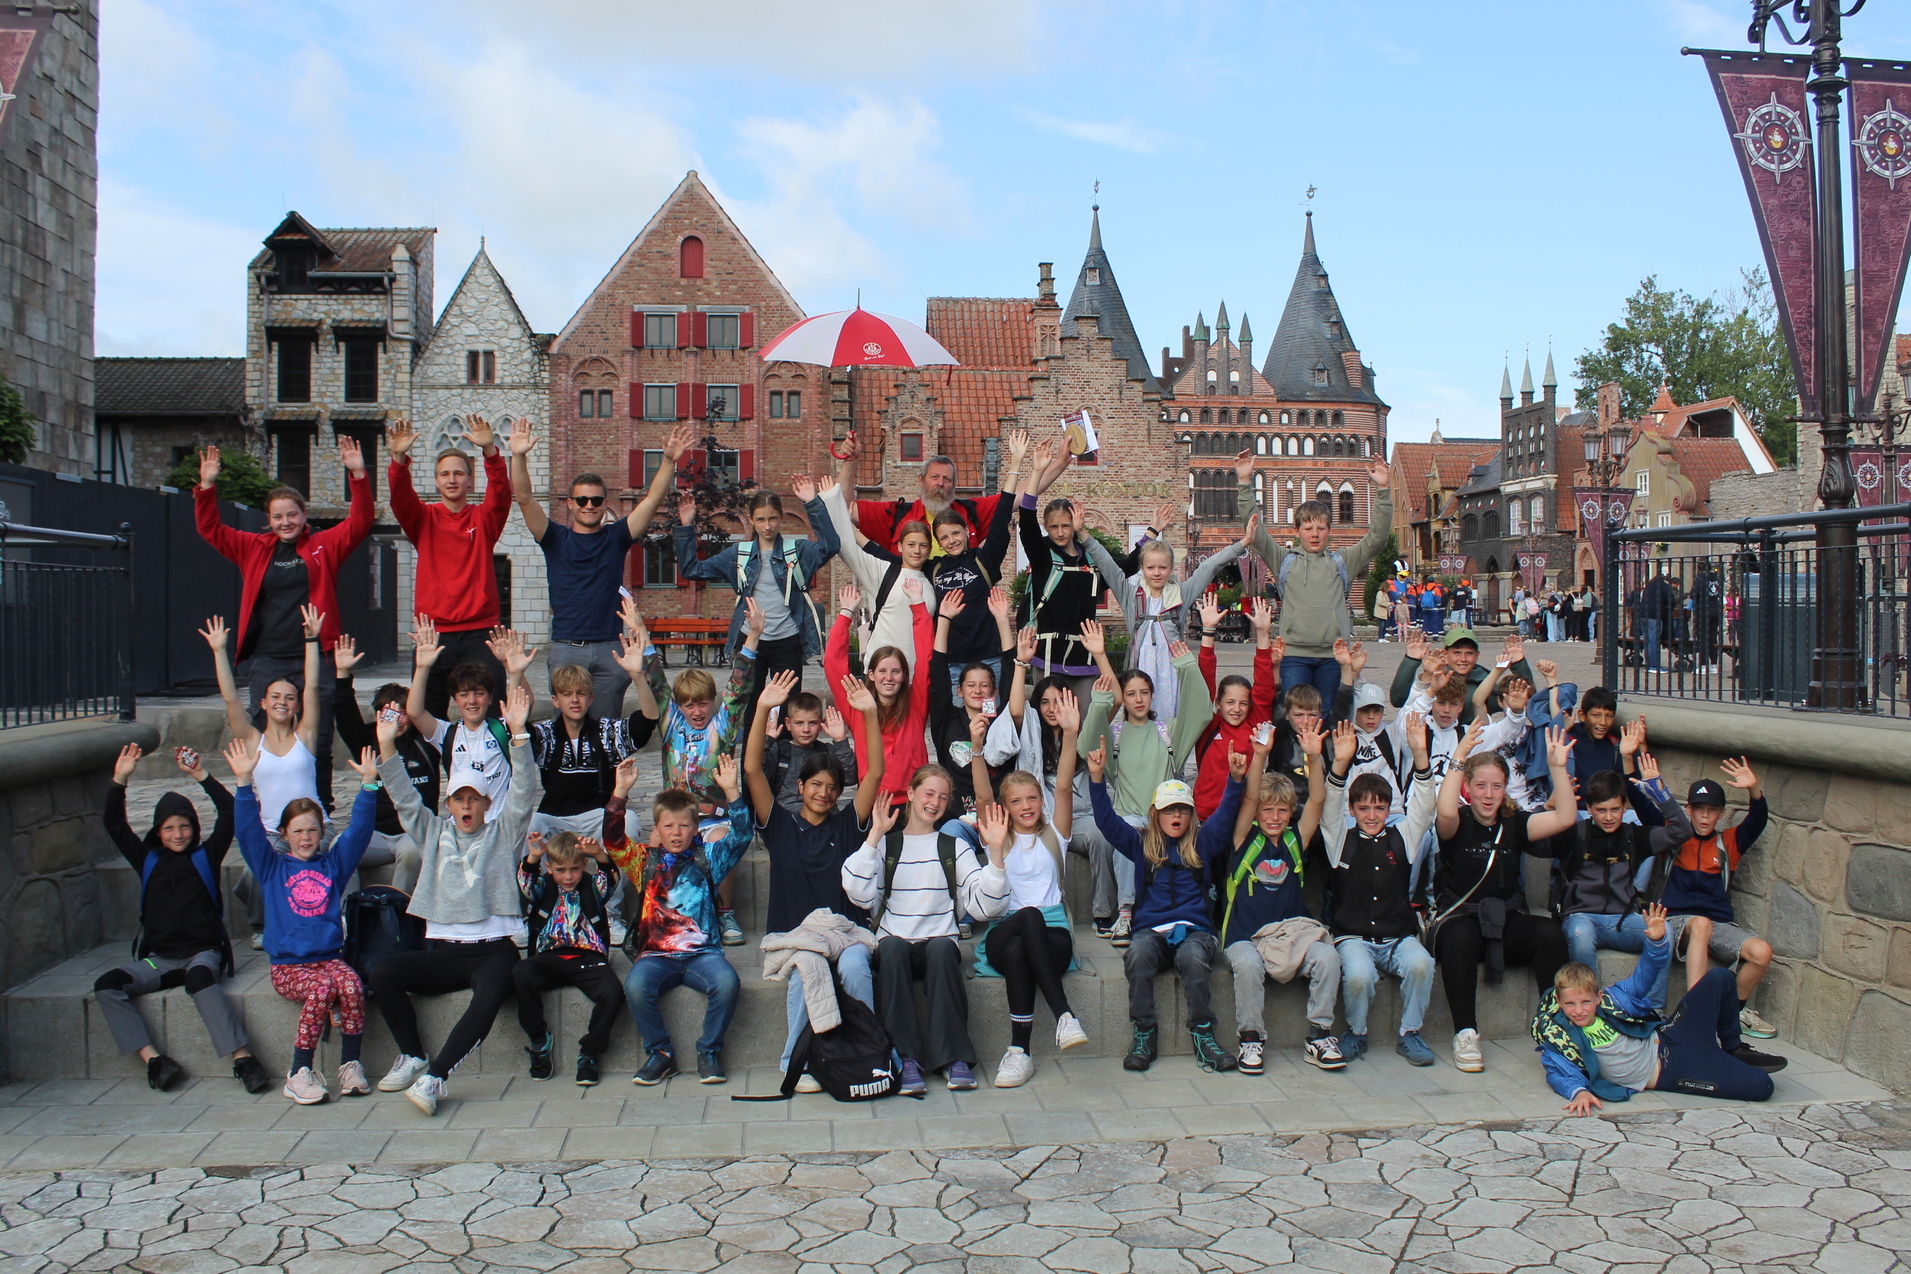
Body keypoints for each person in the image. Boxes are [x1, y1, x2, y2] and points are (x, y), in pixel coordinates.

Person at [370, 683, 542, 1116]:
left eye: (475, 799)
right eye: (459, 799)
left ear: (486, 804)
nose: (467, 806)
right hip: (445, 950)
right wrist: (386, 745)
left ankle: (436, 1077)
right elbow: (406, 799)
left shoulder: (504, 834)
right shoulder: (434, 833)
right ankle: (413, 1055)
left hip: (494, 951)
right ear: (448, 804)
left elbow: (524, 792)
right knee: (385, 971)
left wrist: (518, 735)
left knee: (488, 997)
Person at [192, 437, 372, 805]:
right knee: (266, 736)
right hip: (268, 657)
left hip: (314, 656)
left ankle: (320, 806)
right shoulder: (253, 548)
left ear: (304, 515)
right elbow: (211, 530)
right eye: (278, 516)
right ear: (269, 520)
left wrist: (357, 474)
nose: (285, 522)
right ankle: (270, 806)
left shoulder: (324, 545)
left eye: (292, 514)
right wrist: (207, 486)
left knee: (318, 737)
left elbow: (360, 521)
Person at [96, 743, 269, 1095]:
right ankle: (154, 1060)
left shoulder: (206, 855)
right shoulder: (146, 860)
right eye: (170, 828)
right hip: (158, 959)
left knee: (202, 980)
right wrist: (120, 780)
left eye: (185, 826)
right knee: (107, 984)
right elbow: (114, 823)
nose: (178, 834)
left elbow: (230, 813)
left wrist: (201, 775)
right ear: (158, 832)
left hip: (202, 954)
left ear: (194, 827)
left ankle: (243, 1059)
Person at [744, 670, 887, 1085]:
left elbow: (875, 773)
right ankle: (797, 1062)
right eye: (815, 784)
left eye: (832, 786)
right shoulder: (780, 825)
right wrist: (762, 708)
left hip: (845, 934)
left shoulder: (846, 826)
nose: (824, 792)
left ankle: (866, 1050)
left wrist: (870, 715)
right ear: (801, 785)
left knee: (858, 966)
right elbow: (753, 770)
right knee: (805, 969)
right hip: (798, 937)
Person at [226, 735, 382, 1105]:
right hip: (289, 966)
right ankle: (299, 1071)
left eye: (313, 829)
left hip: (328, 958)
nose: (307, 837)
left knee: (351, 985)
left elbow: (358, 835)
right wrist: (243, 784)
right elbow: (248, 833)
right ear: (284, 835)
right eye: (298, 830)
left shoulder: (332, 865)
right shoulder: (271, 868)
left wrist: (369, 785)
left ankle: (350, 1065)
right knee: (321, 990)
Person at [842, 765, 1009, 1094]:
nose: (934, 802)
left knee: (942, 948)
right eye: (929, 793)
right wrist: (874, 836)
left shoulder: (953, 847)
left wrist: (996, 854)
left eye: (943, 797)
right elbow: (858, 894)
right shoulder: (888, 846)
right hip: (895, 943)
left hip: (938, 944)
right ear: (913, 793)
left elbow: (988, 907)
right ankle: (905, 1060)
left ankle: (954, 1060)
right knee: (890, 948)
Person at [1427, 719, 1581, 1074]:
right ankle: (1466, 1032)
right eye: (1480, 786)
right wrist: (1460, 756)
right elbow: (1445, 811)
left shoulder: (1515, 823)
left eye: (1497, 786)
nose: (1489, 794)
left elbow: (1566, 817)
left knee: (1548, 933)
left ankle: (1554, 1023)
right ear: (1468, 788)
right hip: (1461, 920)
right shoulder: (1458, 821)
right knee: (1460, 936)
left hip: (1504, 921)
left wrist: (1557, 768)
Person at [511, 421, 693, 714]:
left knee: (606, 735)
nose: (588, 505)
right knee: (569, 735)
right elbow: (524, 498)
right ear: (570, 504)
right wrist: (518, 457)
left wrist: (669, 460)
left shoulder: (616, 537)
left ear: (604, 503)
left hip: (611, 648)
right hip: (567, 648)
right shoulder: (554, 538)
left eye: (595, 500)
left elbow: (653, 500)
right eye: (581, 499)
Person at [1535, 903, 1782, 1115]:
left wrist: (1655, 941)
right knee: (1763, 1086)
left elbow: (1644, 977)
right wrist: (1578, 1092)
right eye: (1570, 1003)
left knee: (1720, 978)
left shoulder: (1612, 1000)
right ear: (1559, 1000)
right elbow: (1557, 1073)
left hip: (1671, 1035)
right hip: (1670, 1071)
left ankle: (1732, 1048)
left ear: (1598, 997)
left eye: (1585, 1002)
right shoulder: (1559, 1036)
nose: (1578, 1010)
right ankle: (1718, 1061)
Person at [1089, 745, 1242, 1073]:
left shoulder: (1202, 843)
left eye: (1183, 810)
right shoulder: (1142, 844)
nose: (1176, 817)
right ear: (1155, 814)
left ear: (1191, 814)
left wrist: (1236, 779)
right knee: (1139, 952)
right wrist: (1097, 778)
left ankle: (1203, 1034)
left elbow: (1227, 813)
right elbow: (1106, 821)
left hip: (1196, 931)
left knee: (1191, 957)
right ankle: (1144, 1032)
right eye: (1169, 810)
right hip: (1152, 931)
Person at [606, 756, 754, 1086]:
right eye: (668, 826)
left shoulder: (708, 858)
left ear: (695, 827)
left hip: (703, 954)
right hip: (656, 955)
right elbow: (614, 841)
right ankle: (660, 1053)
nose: (676, 833)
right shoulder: (644, 861)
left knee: (727, 983)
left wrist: (732, 792)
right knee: (635, 985)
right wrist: (619, 793)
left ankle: (709, 1050)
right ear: (656, 829)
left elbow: (742, 835)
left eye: (684, 825)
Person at [512, 617, 659, 946]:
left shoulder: (606, 732)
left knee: (630, 823)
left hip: (596, 816)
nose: (575, 700)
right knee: (521, 823)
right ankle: (525, 911)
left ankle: (611, 912)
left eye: (581, 694)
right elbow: (516, 724)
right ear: (556, 700)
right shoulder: (547, 734)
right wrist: (515, 674)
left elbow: (647, 720)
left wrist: (637, 676)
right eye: (567, 695)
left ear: (591, 698)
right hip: (554, 817)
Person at [633, 598, 764, 947]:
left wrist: (752, 636)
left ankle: (724, 911)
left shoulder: (722, 725)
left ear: (712, 701)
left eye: (702, 702)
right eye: (688, 703)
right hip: (676, 818)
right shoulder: (671, 722)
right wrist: (642, 631)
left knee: (720, 841)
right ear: (678, 705)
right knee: (655, 843)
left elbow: (739, 687)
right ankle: (661, 911)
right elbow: (657, 680)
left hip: (712, 819)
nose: (696, 710)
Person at [202, 605, 327, 950]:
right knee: (253, 871)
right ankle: (260, 925)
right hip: (273, 831)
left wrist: (312, 640)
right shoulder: (253, 740)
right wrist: (219, 651)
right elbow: (230, 700)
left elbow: (313, 686)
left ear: (296, 705)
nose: (283, 702)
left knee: (332, 863)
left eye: (289, 697)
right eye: (276, 697)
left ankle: (337, 919)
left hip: (315, 828)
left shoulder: (306, 736)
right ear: (264, 702)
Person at [1222, 719, 1342, 1074]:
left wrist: (1314, 758)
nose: (1274, 817)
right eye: (1268, 810)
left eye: (1282, 810)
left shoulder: (1294, 841)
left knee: (1327, 957)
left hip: (1291, 937)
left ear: (1291, 813)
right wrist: (1260, 756)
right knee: (1247, 965)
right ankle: (1251, 1040)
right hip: (1244, 936)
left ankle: (1319, 1036)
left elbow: (1317, 799)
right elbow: (1249, 796)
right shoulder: (1246, 839)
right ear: (1258, 813)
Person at [1321, 715, 1441, 1066]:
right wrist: (1341, 763)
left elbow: (1423, 807)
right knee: (1358, 975)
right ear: (1353, 809)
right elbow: (1329, 808)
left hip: (1397, 935)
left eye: (1379, 807)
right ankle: (1356, 1032)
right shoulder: (1340, 839)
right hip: (1353, 937)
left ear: (1389, 809)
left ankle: (1410, 1033)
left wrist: (1420, 755)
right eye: (1363, 808)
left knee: (1421, 964)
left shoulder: (1401, 837)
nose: (1372, 815)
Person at [672, 473, 839, 724]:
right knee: (749, 709)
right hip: (750, 642)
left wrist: (811, 502)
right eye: (760, 519)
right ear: (751, 520)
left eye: (773, 518)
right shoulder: (737, 554)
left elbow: (831, 546)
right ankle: (751, 763)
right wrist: (686, 526)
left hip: (788, 641)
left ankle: (783, 760)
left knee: (789, 711)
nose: (767, 525)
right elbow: (692, 570)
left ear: (782, 518)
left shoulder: (799, 551)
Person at [1232, 448, 1393, 701]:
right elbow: (1256, 531)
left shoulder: (1343, 561)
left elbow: (1377, 539)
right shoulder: (1284, 560)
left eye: (1321, 528)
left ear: (1330, 531)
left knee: (1328, 716)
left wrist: (1383, 491)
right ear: (1296, 531)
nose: (1315, 534)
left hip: (1334, 654)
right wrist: (1244, 483)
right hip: (1294, 655)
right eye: (1308, 528)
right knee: (1296, 716)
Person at [986, 655, 1123, 942]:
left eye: (1058, 700)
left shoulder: (1082, 730)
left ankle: (1102, 914)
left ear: (1070, 702)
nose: (1051, 708)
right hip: (1042, 823)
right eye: (1045, 701)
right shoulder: (1030, 733)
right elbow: (1015, 711)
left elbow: (1116, 701)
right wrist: (1021, 663)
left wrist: (1100, 654)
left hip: (1081, 820)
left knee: (1102, 836)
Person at [386, 415, 514, 717]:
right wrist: (398, 459)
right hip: (434, 634)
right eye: (445, 474)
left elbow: (501, 497)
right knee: (427, 713)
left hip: (479, 632)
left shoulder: (483, 519)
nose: (452, 479)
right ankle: (430, 765)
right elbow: (400, 499)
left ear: (470, 480)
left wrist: (491, 453)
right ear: (436, 480)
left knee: (494, 711)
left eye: (459, 473)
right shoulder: (423, 519)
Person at [1654, 760, 1784, 1048]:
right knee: (1699, 924)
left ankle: (1728, 1013)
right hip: (1678, 920)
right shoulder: (1675, 836)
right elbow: (1645, 807)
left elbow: (1757, 820)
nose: (1704, 816)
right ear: (1689, 810)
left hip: (1719, 924)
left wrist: (1754, 789)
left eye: (1711, 811)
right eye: (1699, 809)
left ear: (1721, 814)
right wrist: (1645, 775)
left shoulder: (1729, 842)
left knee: (1762, 952)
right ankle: (1697, 1016)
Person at [1083, 507, 1249, 725]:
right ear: (1141, 568)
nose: (1157, 572)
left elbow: (1209, 566)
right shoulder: (1131, 594)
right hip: (1141, 667)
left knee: (1170, 722)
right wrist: (1084, 536)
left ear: (1171, 569)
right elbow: (1107, 565)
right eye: (1150, 567)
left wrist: (1243, 544)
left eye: (1163, 567)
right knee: (1138, 718)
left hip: (1170, 669)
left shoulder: (1181, 593)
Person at [1538, 759, 1683, 1007]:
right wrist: (1546, 809)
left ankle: (1653, 1011)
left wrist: (1661, 794)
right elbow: (1531, 841)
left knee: (1665, 932)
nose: (1608, 817)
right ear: (1590, 808)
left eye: (1615, 810)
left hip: (1623, 920)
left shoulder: (1633, 835)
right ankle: (1591, 1008)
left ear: (1624, 807)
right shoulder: (1576, 833)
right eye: (1601, 810)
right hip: (1582, 917)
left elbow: (1681, 832)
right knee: (1580, 933)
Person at [979, 769, 1090, 1088]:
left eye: (1032, 798)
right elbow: (984, 796)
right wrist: (975, 748)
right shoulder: (996, 838)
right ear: (1005, 807)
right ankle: (1065, 1016)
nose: (1026, 806)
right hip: (1006, 926)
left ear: (1043, 800)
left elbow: (1066, 786)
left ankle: (1019, 1053)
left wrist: (1070, 734)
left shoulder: (1055, 834)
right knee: (1026, 918)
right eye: (1016, 801)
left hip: (1052, 932)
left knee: (1019, 950)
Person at [513, 830, 625, 1087]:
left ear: (584, 865)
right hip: (549, 957)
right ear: (549, 867)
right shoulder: (544, 887)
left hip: (587, 956)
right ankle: (539, 1040)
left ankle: (589, 1052)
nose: (568, 876)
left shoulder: (590, 887)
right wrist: (533, 856)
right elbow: (526, 883)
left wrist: (598, 853)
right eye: (560, 869)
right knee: (521, 973)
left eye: (574, 869)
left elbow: (610, 879)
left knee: (612, 991)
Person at [1079, 640, 1214, 846]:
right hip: (1128, 822)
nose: (1139, 699)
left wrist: (1187, 667)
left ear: (1152, 695)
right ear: (1123, 699)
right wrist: (1098, 704)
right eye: (1131, 694)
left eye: (1144, 692)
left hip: (1165, 821)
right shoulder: (1114, 736)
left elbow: (1201, 714)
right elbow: (1085, 746)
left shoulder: (1169, 731)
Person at [332, 635, 438, 892]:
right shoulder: (368, 739)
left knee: (413, 851)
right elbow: (345, 714)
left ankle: (399, 917)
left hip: (412, 835)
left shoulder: (426, 741)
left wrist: (424, 666)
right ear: (379, 715)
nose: (397, 719)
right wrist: (343, 673)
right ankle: (348, 915)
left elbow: (432, 704)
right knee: (338, 845)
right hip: (375, 835)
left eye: (402, 712)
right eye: (389, 713)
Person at [925, 430, 1027, 692]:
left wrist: (1015, 464)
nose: (952, 541)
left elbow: (1002, 515)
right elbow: (889, 557)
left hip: (989, 658)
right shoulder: (934, 568)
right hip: (952, 662)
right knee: (960, 725)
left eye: (956, 533)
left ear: (967, 533)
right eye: (944, 537)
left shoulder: (983, 560)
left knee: (991, 718)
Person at [826, 580, 933, 807]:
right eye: (882, 671)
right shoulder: (858, 704)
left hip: (913, 802)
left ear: (904, 676)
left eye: (896, 671)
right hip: (872, 803)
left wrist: (918, 605)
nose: (889, 677)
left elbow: (925, 657)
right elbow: (833, 665)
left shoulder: (916, 703)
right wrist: (846, 613)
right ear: (871, 675)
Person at [1017, 444, 1110, 700]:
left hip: (1084, 655)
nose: (1060, 532)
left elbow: (1122, 569)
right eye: (1054, 526)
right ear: (1046, 527)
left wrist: (1151, 534)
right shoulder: (1043, 556)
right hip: (1048, 653)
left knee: (1086, 722)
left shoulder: (1089, 559)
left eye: (1066, 526)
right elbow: (1026, 521)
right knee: (1049, 723)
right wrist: (1037, 473)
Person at [820, 470, 937, 672]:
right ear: (900, 547)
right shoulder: (883, 571)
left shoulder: (933, 578)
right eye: (911, 544)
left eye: (922, 545)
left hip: (918, 677)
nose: (917, 551)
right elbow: (847, 547)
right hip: (882, 675)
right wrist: (832, 502)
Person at [832, 429, 1016, 551]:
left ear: (955, 485)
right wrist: (851, 461)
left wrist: (1042, 468)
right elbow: (843, 507)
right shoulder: (895, 514)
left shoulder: (972, 511)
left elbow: (1019, 496)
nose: (940, 483)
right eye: (934, 477)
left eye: (947, 479)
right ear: (921, 480)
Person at [404, 616, 513, 822]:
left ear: (490, 697)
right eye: (463, 695)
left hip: (499, 829)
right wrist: (422, 667)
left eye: (479, 693)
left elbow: (524, 704)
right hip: (460, 828)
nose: (472, 701)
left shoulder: (503, 728)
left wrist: (513, 669)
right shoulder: (447, 734)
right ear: (454, 700)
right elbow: (415, 712)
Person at [928, 588, 1017, 832]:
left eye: (984, 685)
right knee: (949, 836)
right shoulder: (947, 720)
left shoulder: (1003, 720)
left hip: (1001, 819)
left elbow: (1011, 674)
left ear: (994, 692)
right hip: (959, 821)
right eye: (970, 685)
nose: (977, 691)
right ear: (960, 691)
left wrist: (1001, 620)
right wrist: (944, 620)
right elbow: (937, 677)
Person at [1192, 594, 1281, 820]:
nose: (1236, 709)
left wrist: (1262, 634)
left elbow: (1263, 686)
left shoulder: (1255, 726)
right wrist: (1208, 632)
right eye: (1230, 703)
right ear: (1218, 703)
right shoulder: (1208, 725)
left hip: (1244, 818)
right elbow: (1204, 680)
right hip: (1206, 815)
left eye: (1243, 703)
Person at [1388, 626, 1534, 726]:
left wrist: (1519, 663)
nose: (1463, 659)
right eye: (1457, 653)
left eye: (1469, 653)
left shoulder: (1484, 681)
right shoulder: (1434, 677)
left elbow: (1527, 699)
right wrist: (1411, 660)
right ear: (1445, 654)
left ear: (1477, 656)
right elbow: (1398, 699)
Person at [761, 691, 859, 815]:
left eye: (812, 723)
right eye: (799, 723)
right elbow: (756, 779)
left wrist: (840, 741)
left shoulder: (827, 751)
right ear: (788, 724)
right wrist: (767, 741)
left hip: (824, 817)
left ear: (820, 724)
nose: (806, 730)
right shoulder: (779, 751)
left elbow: (850, 778)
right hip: (788, 819)